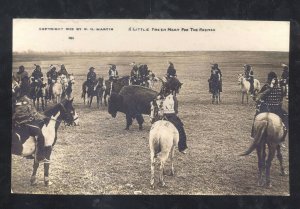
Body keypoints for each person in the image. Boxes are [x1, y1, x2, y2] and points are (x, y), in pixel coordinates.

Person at [251, 71, 288, 137]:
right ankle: (283, 137)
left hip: (267, 108)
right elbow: (281, 99)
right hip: (277, 109)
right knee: (286, 118)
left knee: (256, 116)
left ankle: (253, 134)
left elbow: (260, 97)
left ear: (269, 79)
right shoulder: (281, 88)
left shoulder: (266, 86)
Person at [12, 95, 47, 162]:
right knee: (40, 134)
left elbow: (34, 112)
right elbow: (17, 114)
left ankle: (30, 153)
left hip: (28, 121)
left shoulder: (27, 99)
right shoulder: (16, 101)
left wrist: (42, 116)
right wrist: (29, 116)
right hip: (22, 123)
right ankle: (40, 157)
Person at [156, 89, 188, 154]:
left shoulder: (173, 98)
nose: (166, 93)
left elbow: (175, 110)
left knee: (180, 130)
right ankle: (157, 149)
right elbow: (156, 107)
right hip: (162, 117)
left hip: (172, 116)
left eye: (167, 92)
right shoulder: (159, 98)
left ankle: (182, 147)